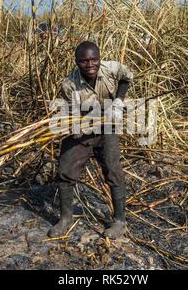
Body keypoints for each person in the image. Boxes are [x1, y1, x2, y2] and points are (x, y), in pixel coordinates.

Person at [48, 41, 133, 239]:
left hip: (107, 126)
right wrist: (76, 127)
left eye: (94, 59)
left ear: (99, 58)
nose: (90, 64)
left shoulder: (112, 68)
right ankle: (66, 218)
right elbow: (73, 111)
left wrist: (118, 101)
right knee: (65, 171)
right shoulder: (69, 84)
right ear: (77, 62)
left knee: (113, 170)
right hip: (84, 126)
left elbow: (126, 78)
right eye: (84, 61)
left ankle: (120, 222)